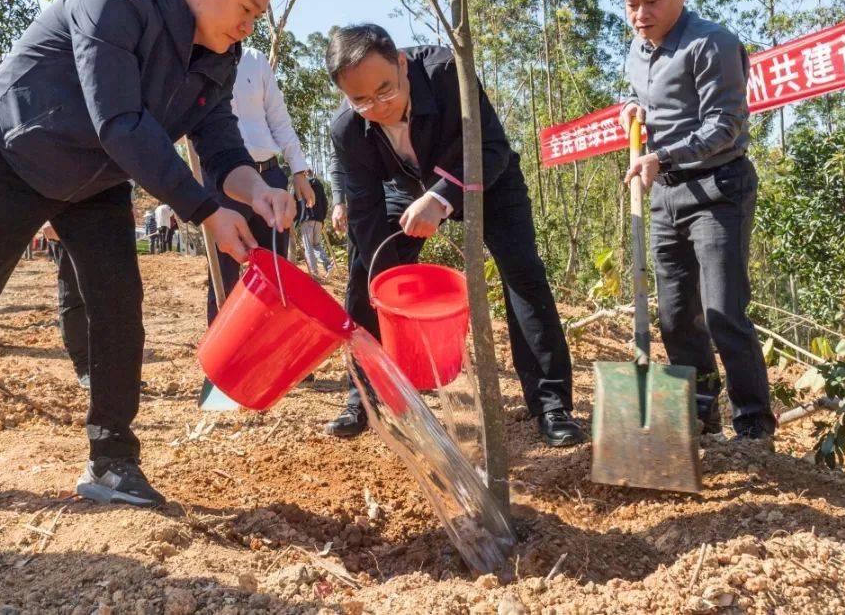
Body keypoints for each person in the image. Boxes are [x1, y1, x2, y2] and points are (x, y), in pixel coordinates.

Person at [0, 0, 296, 511]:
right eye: (246, 8)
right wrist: (202, 211)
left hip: (97, 179)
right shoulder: (118, 1)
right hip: (10, 155)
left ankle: (112, 460)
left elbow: (219, 146)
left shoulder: (222, 55)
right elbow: (119, 121)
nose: (249, 25)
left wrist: (255, 189)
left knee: (118, 305)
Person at [323, 24, 585, 447]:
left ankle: (551, 403)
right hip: (405, 192)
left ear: (401, 63)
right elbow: (367, 218)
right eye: (362, 101)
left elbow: (493, 147)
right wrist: (384, 286)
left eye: (386, 91)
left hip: (487, 178)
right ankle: (364, 395)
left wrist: (442, 196)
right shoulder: (347, 131)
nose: (378, 106)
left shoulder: (447, 72)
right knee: (365, 274)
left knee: (523, 275)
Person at [616, 0, 773, 441]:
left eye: (652, 1)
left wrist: (662, 155)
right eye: (631, 3)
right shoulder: (638, 52)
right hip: (664, 196)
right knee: (677, 317)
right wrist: (633, 111)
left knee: (723, 311)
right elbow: (647, 101)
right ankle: (699, 421)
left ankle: (753, 427)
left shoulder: (713, 43)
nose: (641, 15)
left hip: (717, 190)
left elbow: (724, 126)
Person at [202, 46, 314, 324]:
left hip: (270, 178)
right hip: (222, 184)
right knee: (222, 277)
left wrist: (299, 170)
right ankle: (223, 362)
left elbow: (278, 117)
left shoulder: (255, 59)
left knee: (276, 275)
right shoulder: (194, 58)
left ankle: (279, 353)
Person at [40, 222, 90, 389]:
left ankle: (117, 370)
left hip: (105, 233)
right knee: (74, 298)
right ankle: (85, 368)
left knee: (113, 300)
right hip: (69, 232)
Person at [296, 174, 331, 276]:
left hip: (307, 220)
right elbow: (325, 203)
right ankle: (328, 265)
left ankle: (314, 272)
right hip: (319, 221)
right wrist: (322, 219)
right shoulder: (320, 186)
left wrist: (297, 219)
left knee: (308, 247)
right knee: (316, 245)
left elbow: (296, 202)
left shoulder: (301, 184)